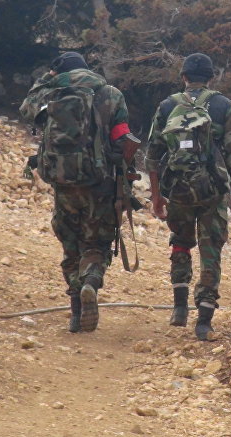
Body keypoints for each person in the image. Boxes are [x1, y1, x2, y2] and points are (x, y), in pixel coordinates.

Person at [20, 52, 139, 333]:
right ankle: (90, 283)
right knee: (96, 243)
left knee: (70, 244)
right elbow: (123, 138)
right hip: (100, 182)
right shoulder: (110, 93)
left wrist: (47, 78)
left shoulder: (50, 93)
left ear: (58, 72)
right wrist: (125, 181)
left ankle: (75, 310)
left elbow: (26, 109)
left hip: (63, 182)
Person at [146, 52, 231, 341]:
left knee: (180, 241)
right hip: (212, 190)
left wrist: (156, 196)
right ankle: (204, 320)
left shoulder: (167, 106)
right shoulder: (223, 106)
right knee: (210, 248)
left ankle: (179, 308)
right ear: (211, 78)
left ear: (184, 77)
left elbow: (152, 155)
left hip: (178, 188)